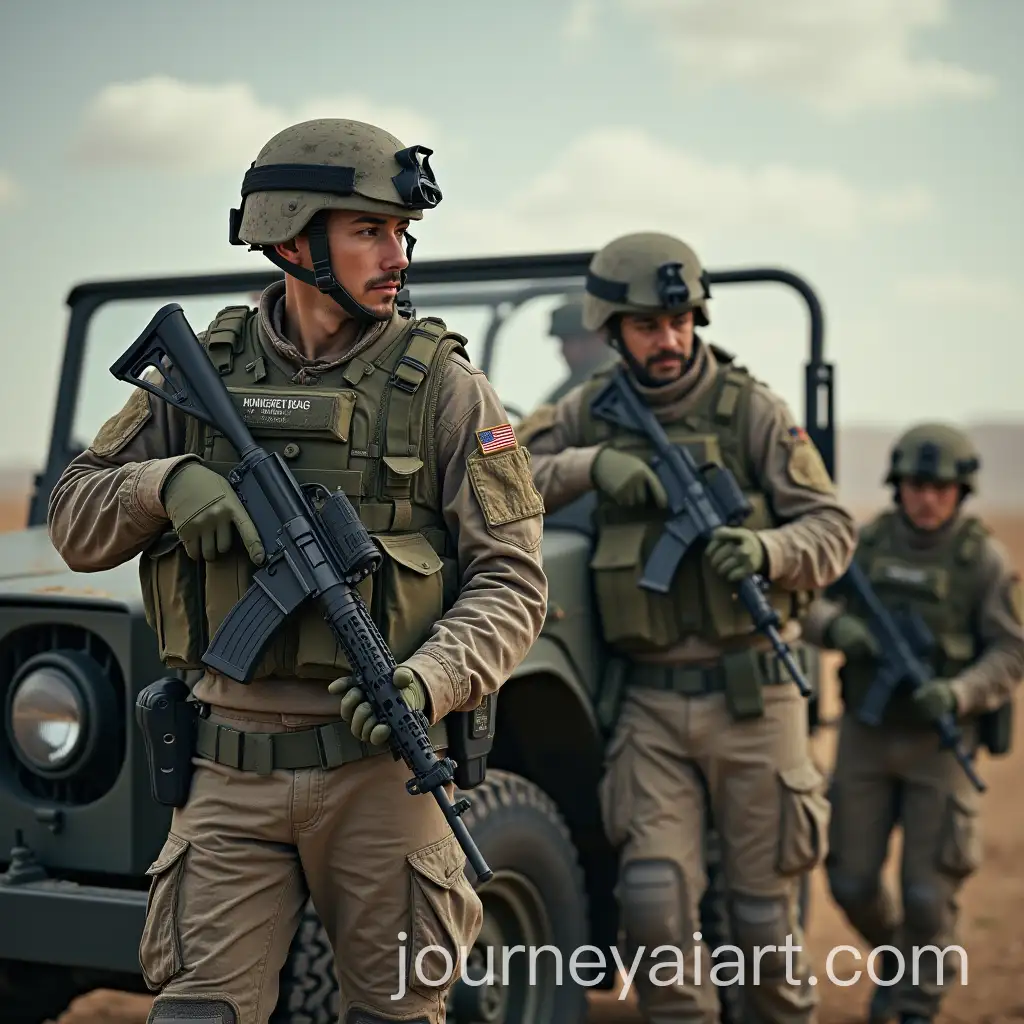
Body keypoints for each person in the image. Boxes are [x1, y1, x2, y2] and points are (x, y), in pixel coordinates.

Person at [46, 118, 549, 1024]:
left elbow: (512, 581)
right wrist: (167, 483)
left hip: (381, 768)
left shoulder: (444, 387)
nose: (395, 254)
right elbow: (75, 522)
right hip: (225, 769)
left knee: (398, 1013)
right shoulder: (203, 367)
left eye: (401, 232)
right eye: (368, 230)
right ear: (291, 237)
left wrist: (428, 680)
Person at [515, 231, 857, 1024]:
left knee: (764, 923)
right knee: (655, 910)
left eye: (680, 321)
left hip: (754, 697)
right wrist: (588, 466)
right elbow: (494, 466)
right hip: (652, 705)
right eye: (647, 326)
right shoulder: (585, 410)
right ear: (612, 331)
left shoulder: (753, 410)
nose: (668, 340)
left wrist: (768, 550)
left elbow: (833, 531)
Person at [802, 423, 1024, 1024]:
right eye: (916, 486)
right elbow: (808, 601)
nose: (927, 498)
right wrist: (838, 629)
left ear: (963, 491)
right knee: (849, 880)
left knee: (929, 895)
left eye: (941, 488)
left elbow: (1011, 651)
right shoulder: (868, 545)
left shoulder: (982, 561)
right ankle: (905, 961)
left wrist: (958, 691)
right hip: (866, 736)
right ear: (898, 487)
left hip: (939, 746)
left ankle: (913, 1004)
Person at [542, 299, 617, 405]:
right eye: (563, 341)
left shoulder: (614, 385)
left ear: (599, 336)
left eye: (571, 341)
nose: (564, 351)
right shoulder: (573, 386)